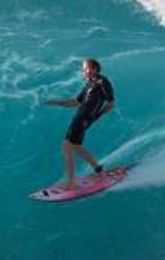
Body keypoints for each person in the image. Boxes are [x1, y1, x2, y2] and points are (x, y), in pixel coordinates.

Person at [45, 57, 116, 191]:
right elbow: (76, 102)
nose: (85, 72)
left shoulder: (103, 82)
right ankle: (98, 170)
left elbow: (111, 103)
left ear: (95, 69)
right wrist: (57, 102)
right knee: (76, 146)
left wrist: (96, 115)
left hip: (84, 118)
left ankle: (71, 182)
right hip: (80, 116)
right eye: (83, 70)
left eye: (87, 69)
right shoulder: (89, 83)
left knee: (66, 146)